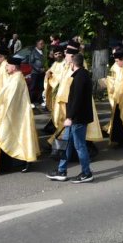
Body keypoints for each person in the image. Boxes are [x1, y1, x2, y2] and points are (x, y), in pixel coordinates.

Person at [47, 53, 96, 183]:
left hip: (77, 119)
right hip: (75, 118)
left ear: (73, 64)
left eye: (70, 63)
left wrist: (70, 117)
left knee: (80, 146)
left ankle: (87, 173)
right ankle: (61, 171)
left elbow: (77, 100)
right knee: (66, 144)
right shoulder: (82, 75)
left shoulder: (80, 77)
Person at [0, 55, 39, 174]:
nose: (6, 67)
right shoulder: (13, 77)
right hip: (13, 113)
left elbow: (11, 99)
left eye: (8, 65)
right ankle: (17, 160)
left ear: (14, 67)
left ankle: (25, 160)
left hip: (16, 114)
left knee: (18, 136)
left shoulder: (17, 79)